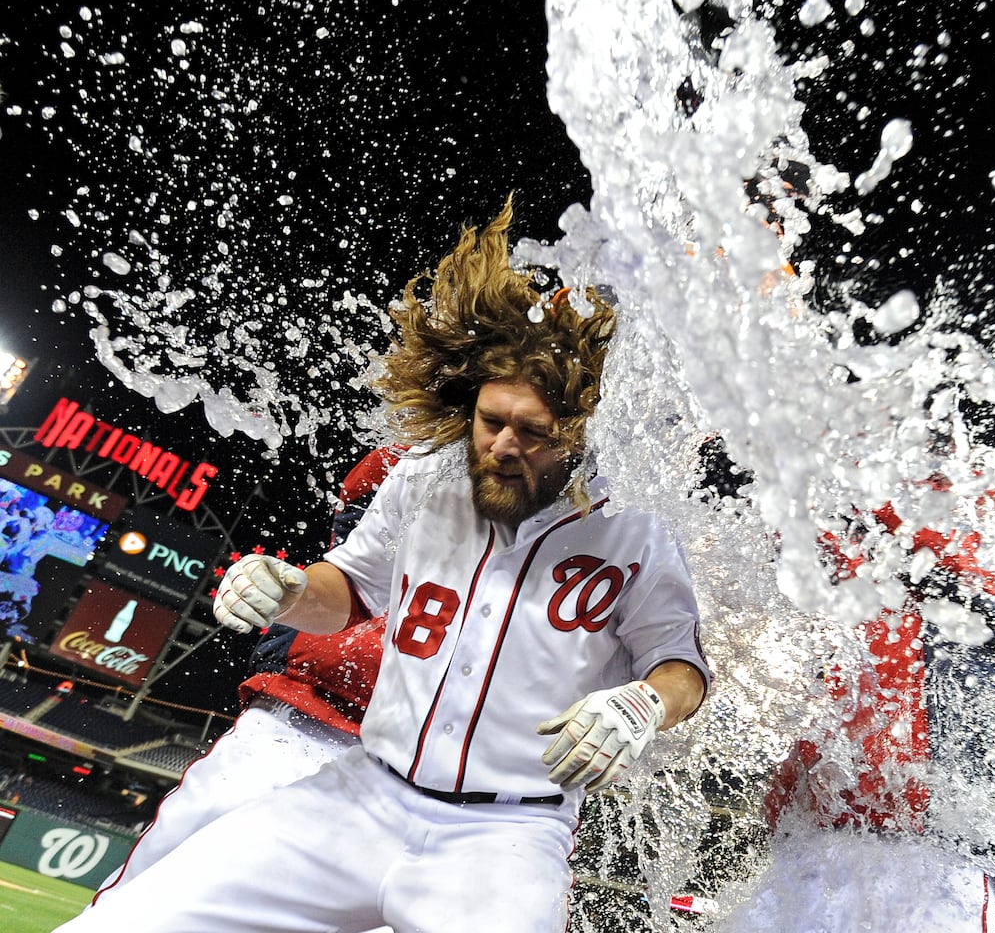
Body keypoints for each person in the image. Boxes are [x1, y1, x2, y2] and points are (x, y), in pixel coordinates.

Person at [59, 200, 712, 933]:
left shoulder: (640, 529)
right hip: (361, 793)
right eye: (490, 421)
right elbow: (348, 594)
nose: (501, 445)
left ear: (578, 433)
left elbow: (679, 664)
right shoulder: (423, 476)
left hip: (504, 841)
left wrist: (645, 704)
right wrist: (289, 588)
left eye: (532, 432)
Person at [87, 446, 400, 913]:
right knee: (146, 903)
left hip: (466, 775)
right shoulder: (414, 456)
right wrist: (294, 592)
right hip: (312, 714)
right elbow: (354, 574)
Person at [721, 475, 995, 933]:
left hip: (934, 845)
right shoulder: (856, 504)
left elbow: (987, 611)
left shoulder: (974, 499)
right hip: (823, 832)